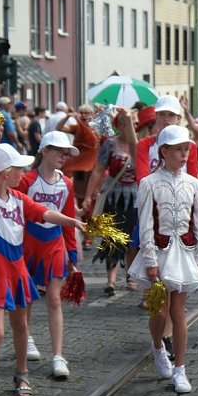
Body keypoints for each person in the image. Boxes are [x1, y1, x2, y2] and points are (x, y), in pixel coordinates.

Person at [0, 127, 85, 396]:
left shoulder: (20, 198)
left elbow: (45, 213)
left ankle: (21, 374)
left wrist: (73, 221)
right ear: (4, 173)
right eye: (18, 168)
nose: (23, 172)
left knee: (21, 325)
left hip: (17, 268)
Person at [128, 125, 198, 393]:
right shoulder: (149, 183)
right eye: (177, 149)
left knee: (178, 312)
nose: (184, 154)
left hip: (183, 253)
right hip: (160, 252)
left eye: (186, 149)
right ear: (164, 151)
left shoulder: (195, 184)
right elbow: (145, 225)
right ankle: (158, 345)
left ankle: (180, 368)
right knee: (159, 311)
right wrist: (150, 260)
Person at [16, 131, 80, 378]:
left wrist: (72, 251)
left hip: (53, 243)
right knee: (28, 298)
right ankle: (27, 338)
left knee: (54, 299)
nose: (63, 156)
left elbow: (68, 219)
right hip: (28, 243)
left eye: (66, 153)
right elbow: (17, 214)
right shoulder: (26, 180)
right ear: (44, 151)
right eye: (58, 151)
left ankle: (57, 355)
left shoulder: (68, 183)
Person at [82, 108, 138, 296]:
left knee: (132, 239)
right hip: (113, 197)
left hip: (134, 198)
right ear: (118, 125)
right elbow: (98, 170)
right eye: (126, 123)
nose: (131, 127)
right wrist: (89, 195)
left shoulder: (139, 146)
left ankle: (131, 275)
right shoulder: (110, 145)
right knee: (112, 238)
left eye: (134, 124)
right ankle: (111, 280)